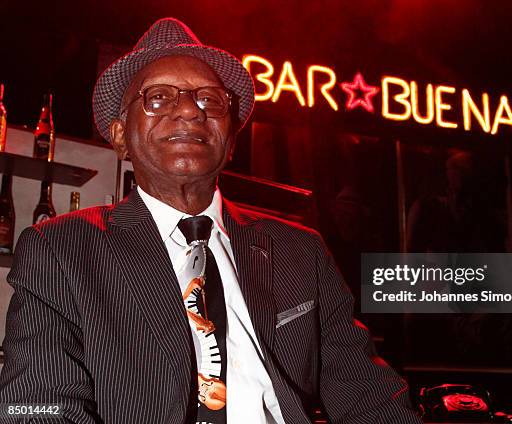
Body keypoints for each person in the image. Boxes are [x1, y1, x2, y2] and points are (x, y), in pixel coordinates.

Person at [0, 18, 421, 424]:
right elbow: (37, 407)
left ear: (231, 139)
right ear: (120, 135)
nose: (189, 110)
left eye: (209, 99)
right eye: (159, 97)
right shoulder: (60, 248)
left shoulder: (300, 251)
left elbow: (370, 396)